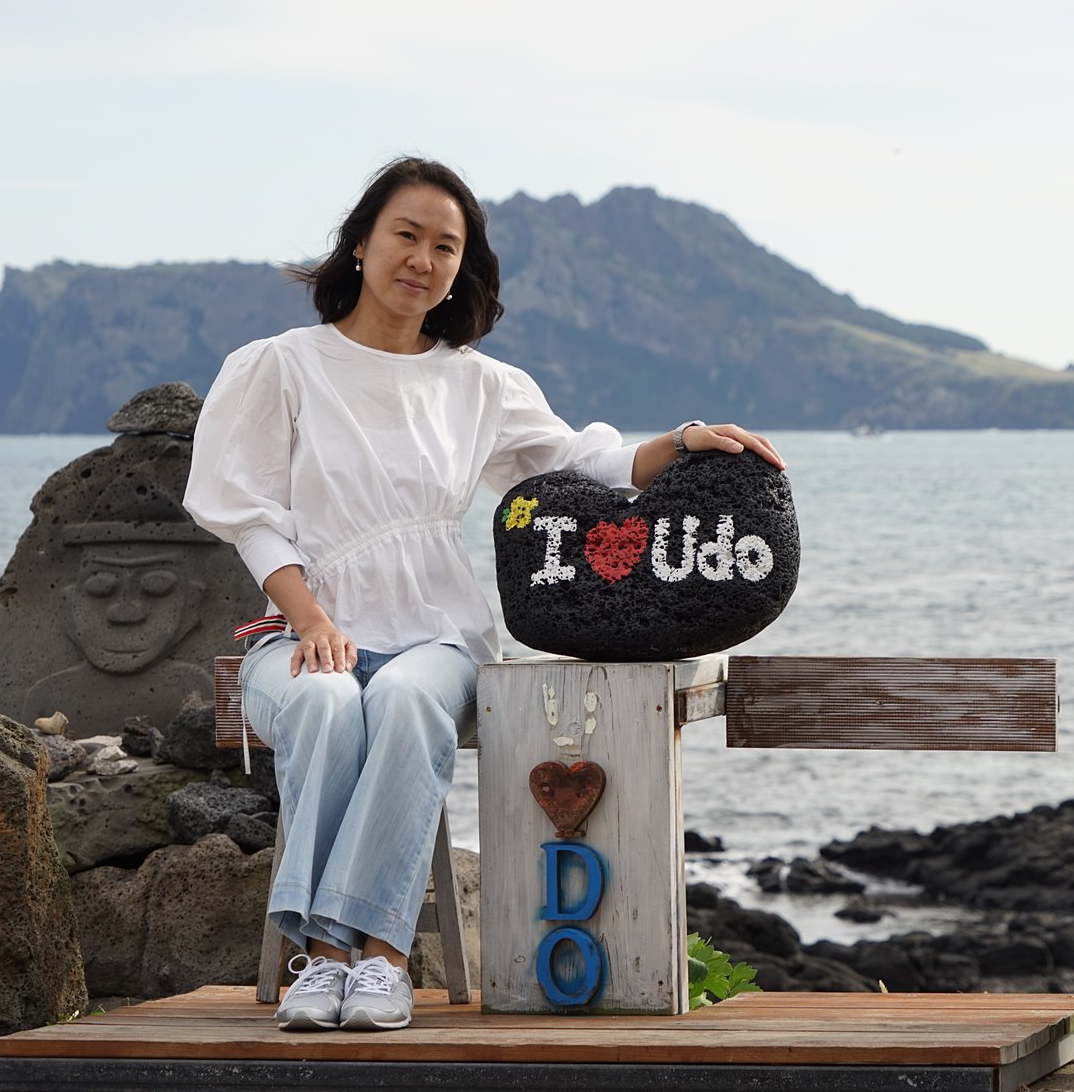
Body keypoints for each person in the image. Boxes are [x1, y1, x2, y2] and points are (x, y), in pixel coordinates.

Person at [182, 157, 783, 1031]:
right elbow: (251, 517)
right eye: (406, 235)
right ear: (360, 243)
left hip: (435, 634)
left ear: (461, 266)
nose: (422, 259)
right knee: (321, 702)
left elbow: (584, 463)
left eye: (445, 246)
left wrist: (685, 440)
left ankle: (380, 963)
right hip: (300, 629)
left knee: (404, 700)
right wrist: (310, 619)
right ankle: (326, 959)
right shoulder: (279, 367)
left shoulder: (478, 383)